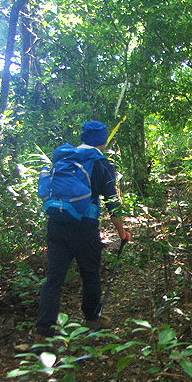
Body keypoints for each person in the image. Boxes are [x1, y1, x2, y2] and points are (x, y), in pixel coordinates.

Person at [34, 121, 130, 342]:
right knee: (90, 272)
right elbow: (112, 202)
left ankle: (43, 330)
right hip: (83, 226)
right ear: (104, 141)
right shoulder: (101, 163)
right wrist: (122, 232)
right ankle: (90, 318)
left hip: (57, 222)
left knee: (54, 279)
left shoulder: (67, 157)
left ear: (84, 138)